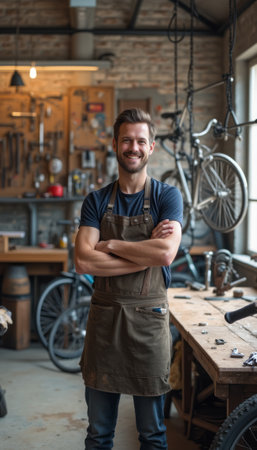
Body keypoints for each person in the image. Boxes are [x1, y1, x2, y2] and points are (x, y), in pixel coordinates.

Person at [75, 108, 183, 450]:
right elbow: (83, 260)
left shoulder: (168, 197)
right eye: (126, 140)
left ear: (151, 147)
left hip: (149, 326)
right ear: (115, 145)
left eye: (140, 141)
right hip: (104, 324)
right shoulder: (95, 200)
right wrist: (143, 251)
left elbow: (165, 254)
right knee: (98, 435)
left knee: (152, 435)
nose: (133, 147)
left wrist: (113, 245)